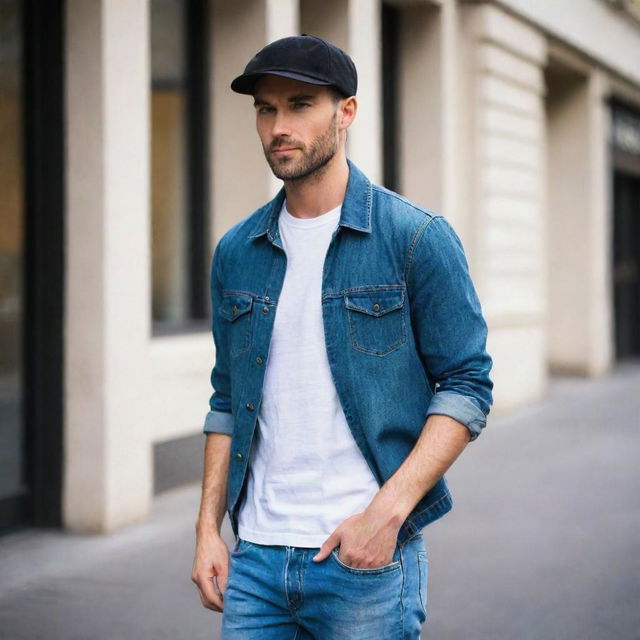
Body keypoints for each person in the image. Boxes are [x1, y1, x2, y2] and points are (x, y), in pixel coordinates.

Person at [191, 34, 494, 639]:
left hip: (365, 561)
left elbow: (467, 385)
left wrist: (386, 514)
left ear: (346, 112)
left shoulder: (413, 239)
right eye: (266, 108)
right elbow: (227, 399)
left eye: (300, 105)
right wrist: (207, 532)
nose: (279, 125)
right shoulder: (237, 252)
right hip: (255, 561)